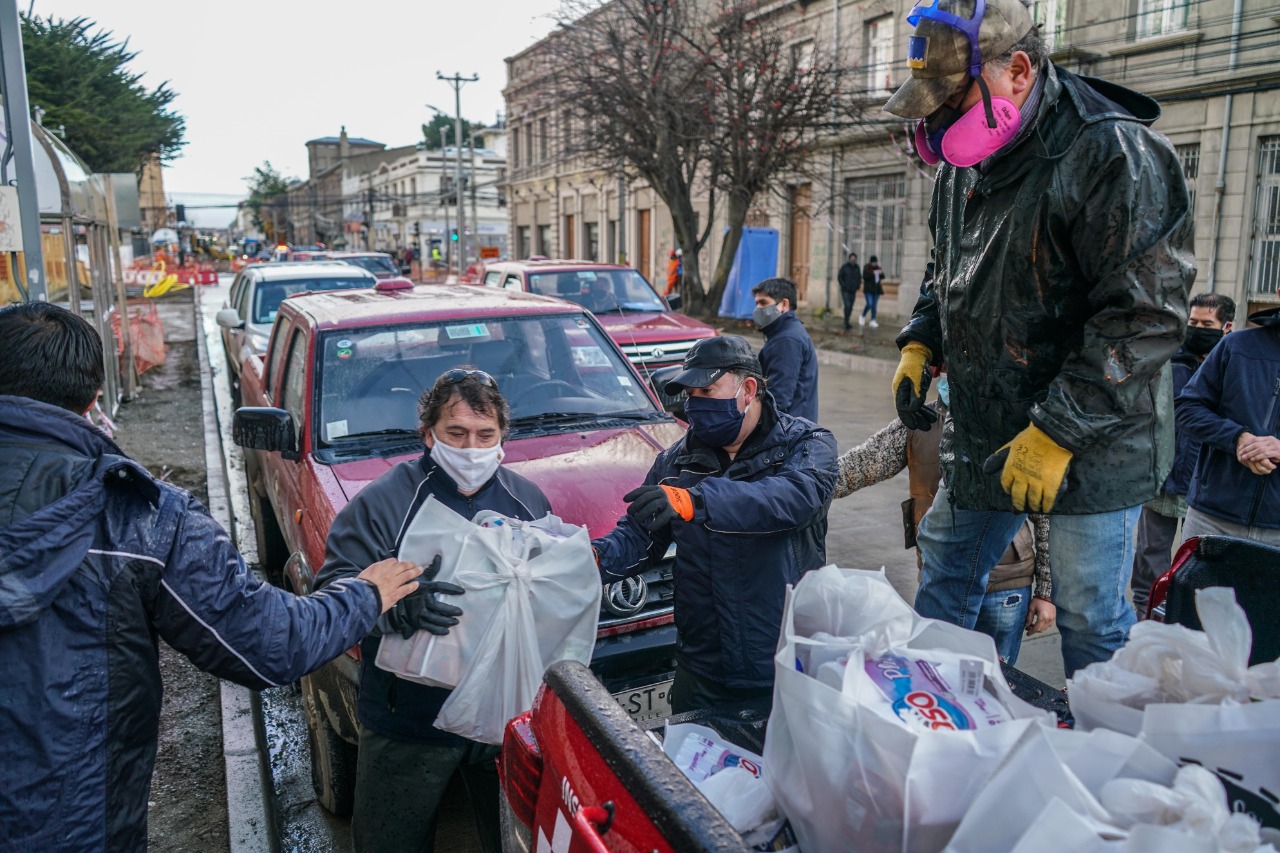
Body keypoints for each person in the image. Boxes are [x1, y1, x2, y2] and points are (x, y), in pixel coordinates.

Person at [0, 302, 423, 850]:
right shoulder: (137, 516)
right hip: (71, 828)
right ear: (92, 399)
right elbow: (268, 644)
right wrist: (366, 593)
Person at [885, 0, 1195, 677]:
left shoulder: (1112, 154)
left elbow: (1147, 317)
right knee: (946, 566)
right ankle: (932, 717)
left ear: (1018, 70)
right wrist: (921, 339)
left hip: (1098, 435)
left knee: (1088, 607)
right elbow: (951, 270)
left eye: (947, 102)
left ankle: (1105, 752)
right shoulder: (969, 157)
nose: (935, 125)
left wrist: (1059, 428)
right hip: (994, 420)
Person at [315, 368, 552, 853]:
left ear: (502, 435)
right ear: (428, 435)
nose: (471, 448)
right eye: (456, 433)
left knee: (514, 840)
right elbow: (332, 590)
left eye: (485, 435)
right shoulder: (383, 503)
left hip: (500, 714)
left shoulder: (525, 500)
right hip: (410, 720)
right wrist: (390, 608)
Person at [592, 336, 837, 713]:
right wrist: (592, 560)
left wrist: (697, 501)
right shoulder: (675, 461)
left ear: (748, 389)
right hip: (701, 668)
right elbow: (641, 534)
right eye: (690, 394)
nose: (696, 405)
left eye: (707, 389)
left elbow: (794, 498)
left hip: (783, 664)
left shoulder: (805, 443)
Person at [833, 371, 1055, 664]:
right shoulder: (919, 420)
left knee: (993, 683)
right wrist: (804, 485)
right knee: (935, 671)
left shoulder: (1013, 424)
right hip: (942, 579)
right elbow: (859, 465)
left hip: (1004, 586)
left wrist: (1045, 592)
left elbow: (1046, 516)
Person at [1130, 294, 1235, 616]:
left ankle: (1190, 623)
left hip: (1207, 484)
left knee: (1202, 563)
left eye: (1207, 324)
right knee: (1150, 558)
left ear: (1226, 327)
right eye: (1193, 323)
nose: (1198, 329)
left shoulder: (1234, 365)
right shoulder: (1169, 362)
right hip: (1163, 478)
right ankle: (1146, 621)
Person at [1175, 301, 1280, 546]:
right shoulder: (1237, 345)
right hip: (1212, 517)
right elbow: (1187, 407)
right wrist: (1238, 439)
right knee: (1199, 586)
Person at [751, 277, 819, 422]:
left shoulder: (787, 339)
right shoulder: (784, 332)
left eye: (763, 303)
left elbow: (778, 398)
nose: (758, 309)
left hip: (789, 433)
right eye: (757, 304)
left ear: (784, 304)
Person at [838, 252, 860, 330]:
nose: (853, 260)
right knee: (847, 305)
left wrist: (857, 286)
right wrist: (844, 285)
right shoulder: (845, 267)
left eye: (854, 258)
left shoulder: (857, 267)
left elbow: (859, 278)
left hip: (853, 291)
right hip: (845, 290)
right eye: (852, 258)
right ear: (849, 258)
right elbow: (840, 277)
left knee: (850, 307)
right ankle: (846, 321)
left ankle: (847, 320)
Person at [860, 255, 884, 328]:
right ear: (870, 262)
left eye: (875, 262)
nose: (874, 263)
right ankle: (862, 316)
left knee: (874, 306)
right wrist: (873, 273)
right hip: (868, 290)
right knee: (869, 304)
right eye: (873, 262)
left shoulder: (878, 268)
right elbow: (864, 277)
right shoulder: (866, 267)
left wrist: (881, 273)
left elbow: (883, 277)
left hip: (876, 290)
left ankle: (872, 320)